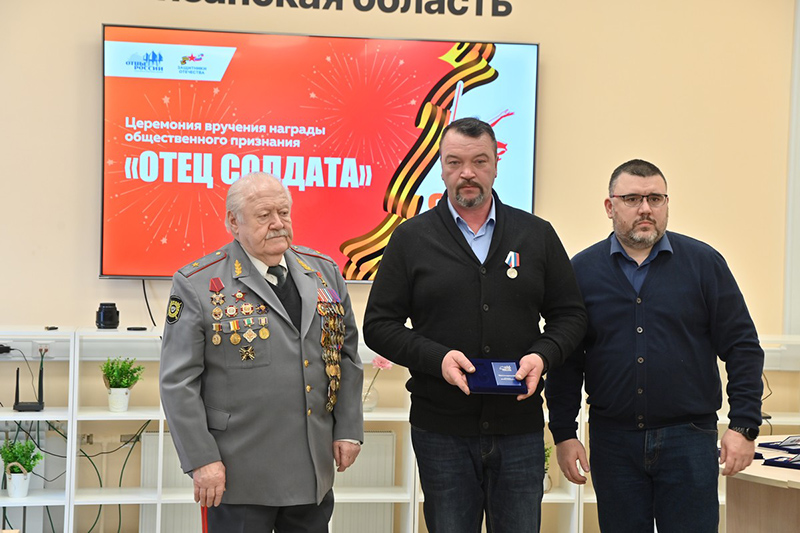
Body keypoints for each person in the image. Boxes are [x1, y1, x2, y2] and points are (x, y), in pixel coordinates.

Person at [363, 117, 587, 533]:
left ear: (496, 165)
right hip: (440, 430)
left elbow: (571, 316)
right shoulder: (411, 238)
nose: (467, 173)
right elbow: (378, 325)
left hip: (519, 429)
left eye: (479, 161)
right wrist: (437, 358)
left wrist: (542, 355)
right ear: (441, 168)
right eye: (455, 162)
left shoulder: (536, 235)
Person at [545, 159, 764, 533]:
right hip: (614, 442)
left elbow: (742, 346)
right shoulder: (581, 271)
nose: (645, 208)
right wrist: (564, 433)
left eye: (655, 198)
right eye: (632, 199)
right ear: (610, 207)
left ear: (666, 203)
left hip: (689, 439)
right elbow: (567, 361)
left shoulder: (704, 264)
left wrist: (744, 425)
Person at [159, 172, 364, 533]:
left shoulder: (324, 272)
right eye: (264, 215)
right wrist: (202, 459)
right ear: (233, 222)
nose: (278, 224)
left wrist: (348, 428)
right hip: (238, 474)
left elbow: (345, 355)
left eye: (283, 213)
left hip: (310, 470)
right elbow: (178, 382)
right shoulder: (197, 284)